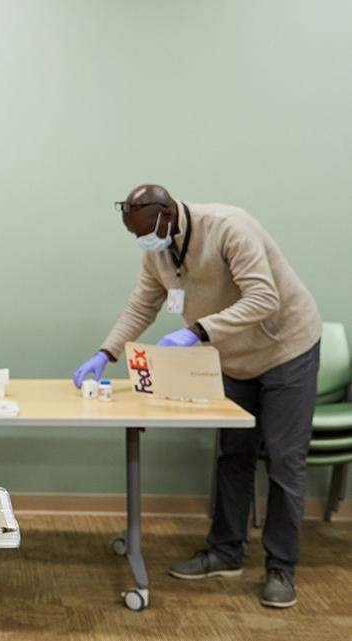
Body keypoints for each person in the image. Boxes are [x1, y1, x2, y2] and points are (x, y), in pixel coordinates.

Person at [73, 184, 321, 608]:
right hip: (234, 358)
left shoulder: (229, 228)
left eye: (146, 232)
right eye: (135, 235)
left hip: (286, 349)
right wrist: (105, 352)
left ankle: (281, 568)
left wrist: (196, 331)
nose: (143, 242)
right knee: (232, 454)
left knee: (283, 460)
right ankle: (225, 552)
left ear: (168, 214)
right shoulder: (157, 247)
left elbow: (264, 296)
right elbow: (142, 304)